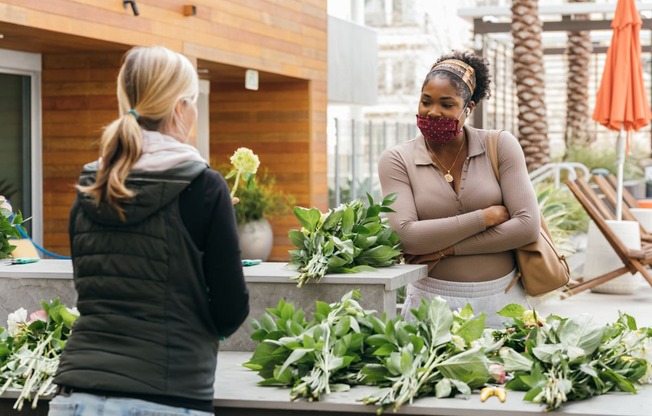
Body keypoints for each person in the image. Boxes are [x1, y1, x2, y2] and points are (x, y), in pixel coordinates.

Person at [48, 45, 249, 416]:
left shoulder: (91, 187)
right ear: (179, 109)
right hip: (169, 396)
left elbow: (94, 292)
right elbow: (230, 310)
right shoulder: (204, 187)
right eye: (193, 101)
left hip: (75, 396)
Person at [378, 50, 540, 328]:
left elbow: (526, 227)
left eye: (447, 104)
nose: (433, 112)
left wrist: (445, 250)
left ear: (469, 109)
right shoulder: (396, 159)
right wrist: (483, 219)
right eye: (425, 101)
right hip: (429, 304)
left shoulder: (500, 146)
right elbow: (405, 236)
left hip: (502, 300)